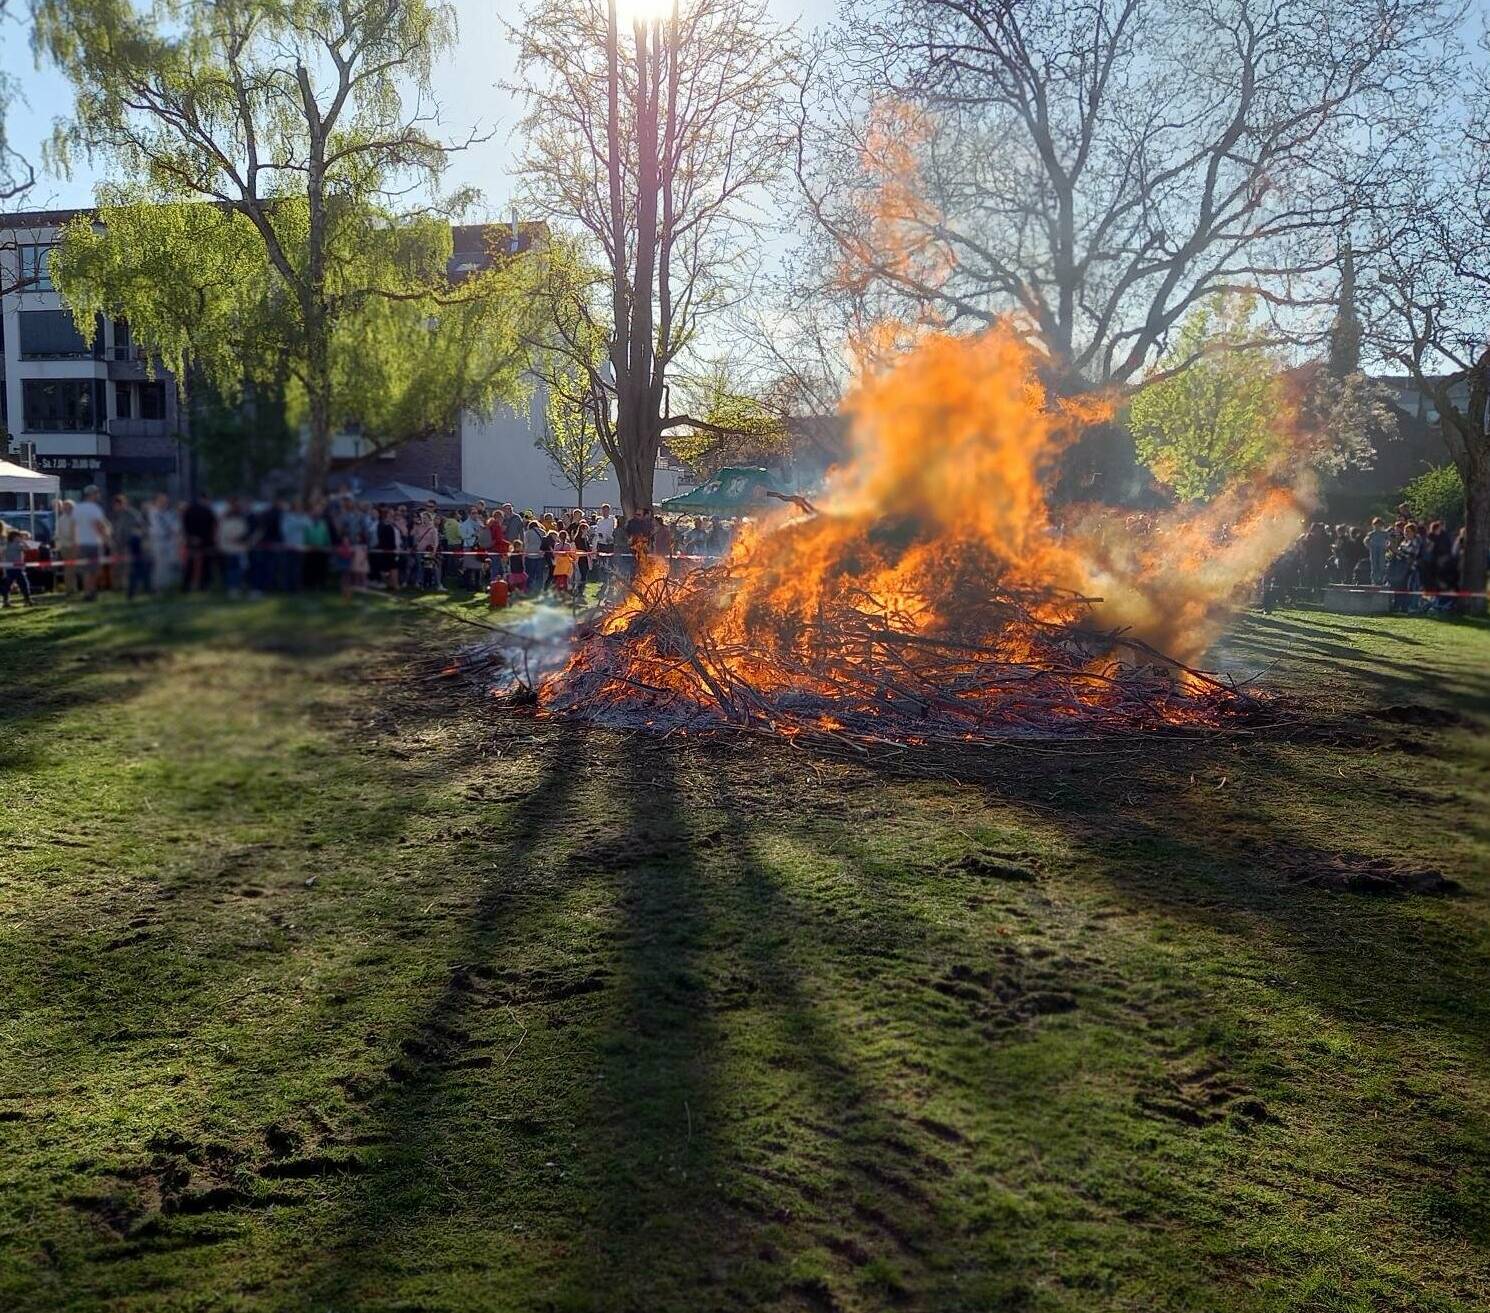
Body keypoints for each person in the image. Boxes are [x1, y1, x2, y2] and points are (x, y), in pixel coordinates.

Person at [71, 486, 112, 602]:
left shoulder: (77, 508)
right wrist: (106, 538)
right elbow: (98, 525)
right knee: (94, 570)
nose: (98, 496)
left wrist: (75, 542)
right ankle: (92, 592)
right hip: (94, 542)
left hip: (81, 543)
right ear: (93, 494)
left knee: (86, 570)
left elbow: (73, 527)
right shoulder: (95, 508)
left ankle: (87, 592)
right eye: (97, 494)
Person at [111, 494, 153, 600]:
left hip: (132, 546)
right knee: (127, 570)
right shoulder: (118, 515)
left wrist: (137, 542)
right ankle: (129, 590)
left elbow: (141, 528)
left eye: (116, 505)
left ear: (120, 504)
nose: (115, 508)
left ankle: (135, 590)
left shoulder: (132, 514)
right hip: (121, 546)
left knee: (132, 570)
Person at [182, 495, 217, 591]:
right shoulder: (208, 511)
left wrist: (191, 536)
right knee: (202, 564)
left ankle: (189, 585)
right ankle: (202, 585)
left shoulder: (190, 510)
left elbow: (185, 525)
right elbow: (212, 527)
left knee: (193, 563)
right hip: (204, 541)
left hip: (196, 540)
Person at [148, 493, 181, 592]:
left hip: (169, 541)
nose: (163, 503)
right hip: (157, 541)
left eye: (165, 501)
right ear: (157, 502)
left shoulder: (169, 514)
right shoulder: (153, 513)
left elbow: (175, 527)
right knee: (158, 565)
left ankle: (168, 586)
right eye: (161, 501)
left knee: (168, 565)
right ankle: (156, 587)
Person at [218, 498, 250, 595]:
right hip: (229, 549)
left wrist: (239, 539)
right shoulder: (225, 519)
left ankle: (239, 586)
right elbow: (222, 534)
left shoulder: (241, 519)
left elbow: (245, 532)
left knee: (240, 568)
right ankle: (233, 587)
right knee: (232, 569)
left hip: (240, 548)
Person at [2, 529, 34, 607]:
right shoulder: (17, 545)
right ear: (14, 537)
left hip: (8, 568)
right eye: (19, 536)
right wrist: (23, 541)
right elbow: (28, 548)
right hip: (17, 568)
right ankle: (27, 600)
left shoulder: (6, 544)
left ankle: (6, 601)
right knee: (24, 584)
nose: (20, 537)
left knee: (7, 585)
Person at [54, 499, 79, 595]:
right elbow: (58, 533)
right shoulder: (61, 519)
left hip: (74, 545)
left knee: (72, 569)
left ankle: (73, 588)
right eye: (65, 507)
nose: (67, 509)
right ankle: (70, 589)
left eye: (69, 507)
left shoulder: (76, 518)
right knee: (68, 568)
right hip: (65, 546)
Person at [1364, 517, 1389, 586]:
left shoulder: (1385, 533)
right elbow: (1365, 541)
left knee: (1382, 565)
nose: (1377, 527)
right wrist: (1369, 547)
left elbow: (1389, 541)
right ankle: (1374, 581)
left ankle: (1382, 580)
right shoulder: (1371, 534)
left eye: (1378, 525)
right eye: (1375, 525)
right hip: (1373, 551)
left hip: (1382, 550)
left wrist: (1386, 547)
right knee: (1374, 566)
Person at [551, 530, 576, 594]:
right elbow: (570, 554)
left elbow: (554, 554)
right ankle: (565, 590)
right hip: (566, 564)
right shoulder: (568, 545)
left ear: (559, 537)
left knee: (558, 577)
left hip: (559, 564)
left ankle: (558, 590)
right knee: (565, 578)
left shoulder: (556, 545)